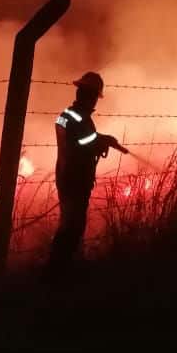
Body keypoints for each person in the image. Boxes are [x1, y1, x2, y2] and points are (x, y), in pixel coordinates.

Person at [45, 71, 124, 278]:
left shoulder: (66, 116)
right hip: (77, 178)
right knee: (73, 226)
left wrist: (104, 139)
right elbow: (86, 143)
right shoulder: (84, 120)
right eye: (94, 97)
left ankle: (60, 269)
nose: (93, 102)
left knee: (67, 222)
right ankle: (57, 272)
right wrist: (103, 143)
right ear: (89, 95)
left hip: (64, 173)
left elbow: (81, 138)